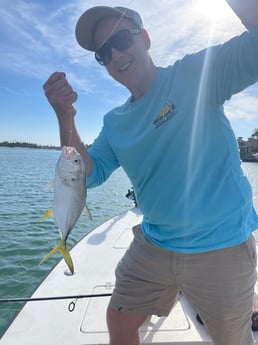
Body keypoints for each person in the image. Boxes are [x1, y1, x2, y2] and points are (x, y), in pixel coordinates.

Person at [43, 1, 258, 344]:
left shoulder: (195, 74)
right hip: (155, 242)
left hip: (221, 244)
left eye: (122, 40)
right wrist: (65, 115)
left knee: (232, 339)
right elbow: (88, 174)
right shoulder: (115, 122)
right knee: (119, 319)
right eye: (103, 53)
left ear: (144, 38)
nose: (115, 55)